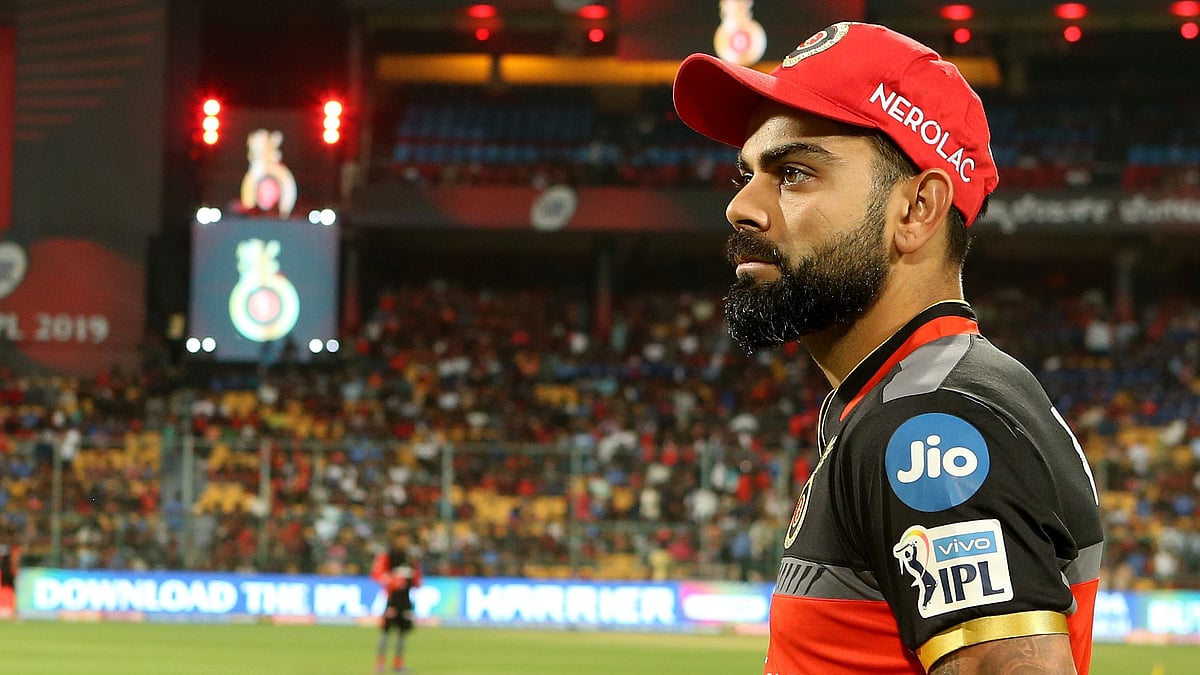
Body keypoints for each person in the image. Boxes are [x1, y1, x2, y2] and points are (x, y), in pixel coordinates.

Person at [672, 21, 1103, 675]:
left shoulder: (932, 427)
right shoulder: (929, 396)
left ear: (917, 209)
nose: (742, 207)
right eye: (747, 174)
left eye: (793, 173)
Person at [370, 526, 422, 674]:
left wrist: (415, 581)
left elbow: (417, 578)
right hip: (392, 599)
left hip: (406, 600)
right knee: (386, 631)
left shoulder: (410, 558)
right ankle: (380, 663)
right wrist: (392, 580)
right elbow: (376, 573)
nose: (404, 542)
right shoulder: (388, 556)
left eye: (406, 539)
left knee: (402, 632)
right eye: (402, 539)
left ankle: (398, 664)